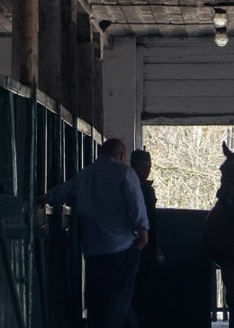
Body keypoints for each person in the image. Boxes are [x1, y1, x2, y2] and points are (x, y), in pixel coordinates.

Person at [43, 138, 149, 328]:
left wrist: (43, 197)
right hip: (122, 248)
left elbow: (60, 193)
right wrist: (143, 235)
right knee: (120, 302)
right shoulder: (125, 173)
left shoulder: (84, 175)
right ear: (121, 155)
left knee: (98, 305)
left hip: (93, 251)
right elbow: (136, 204)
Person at [129, 149, 164, 328]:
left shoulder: (146, 189)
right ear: (134, 167)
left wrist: (154, 245)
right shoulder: (131, 187)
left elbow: (153, 221)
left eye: (149, 167)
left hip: (145, 245)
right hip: (133, 244)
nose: (148, 170)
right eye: (144, 167)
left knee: (145, 286)